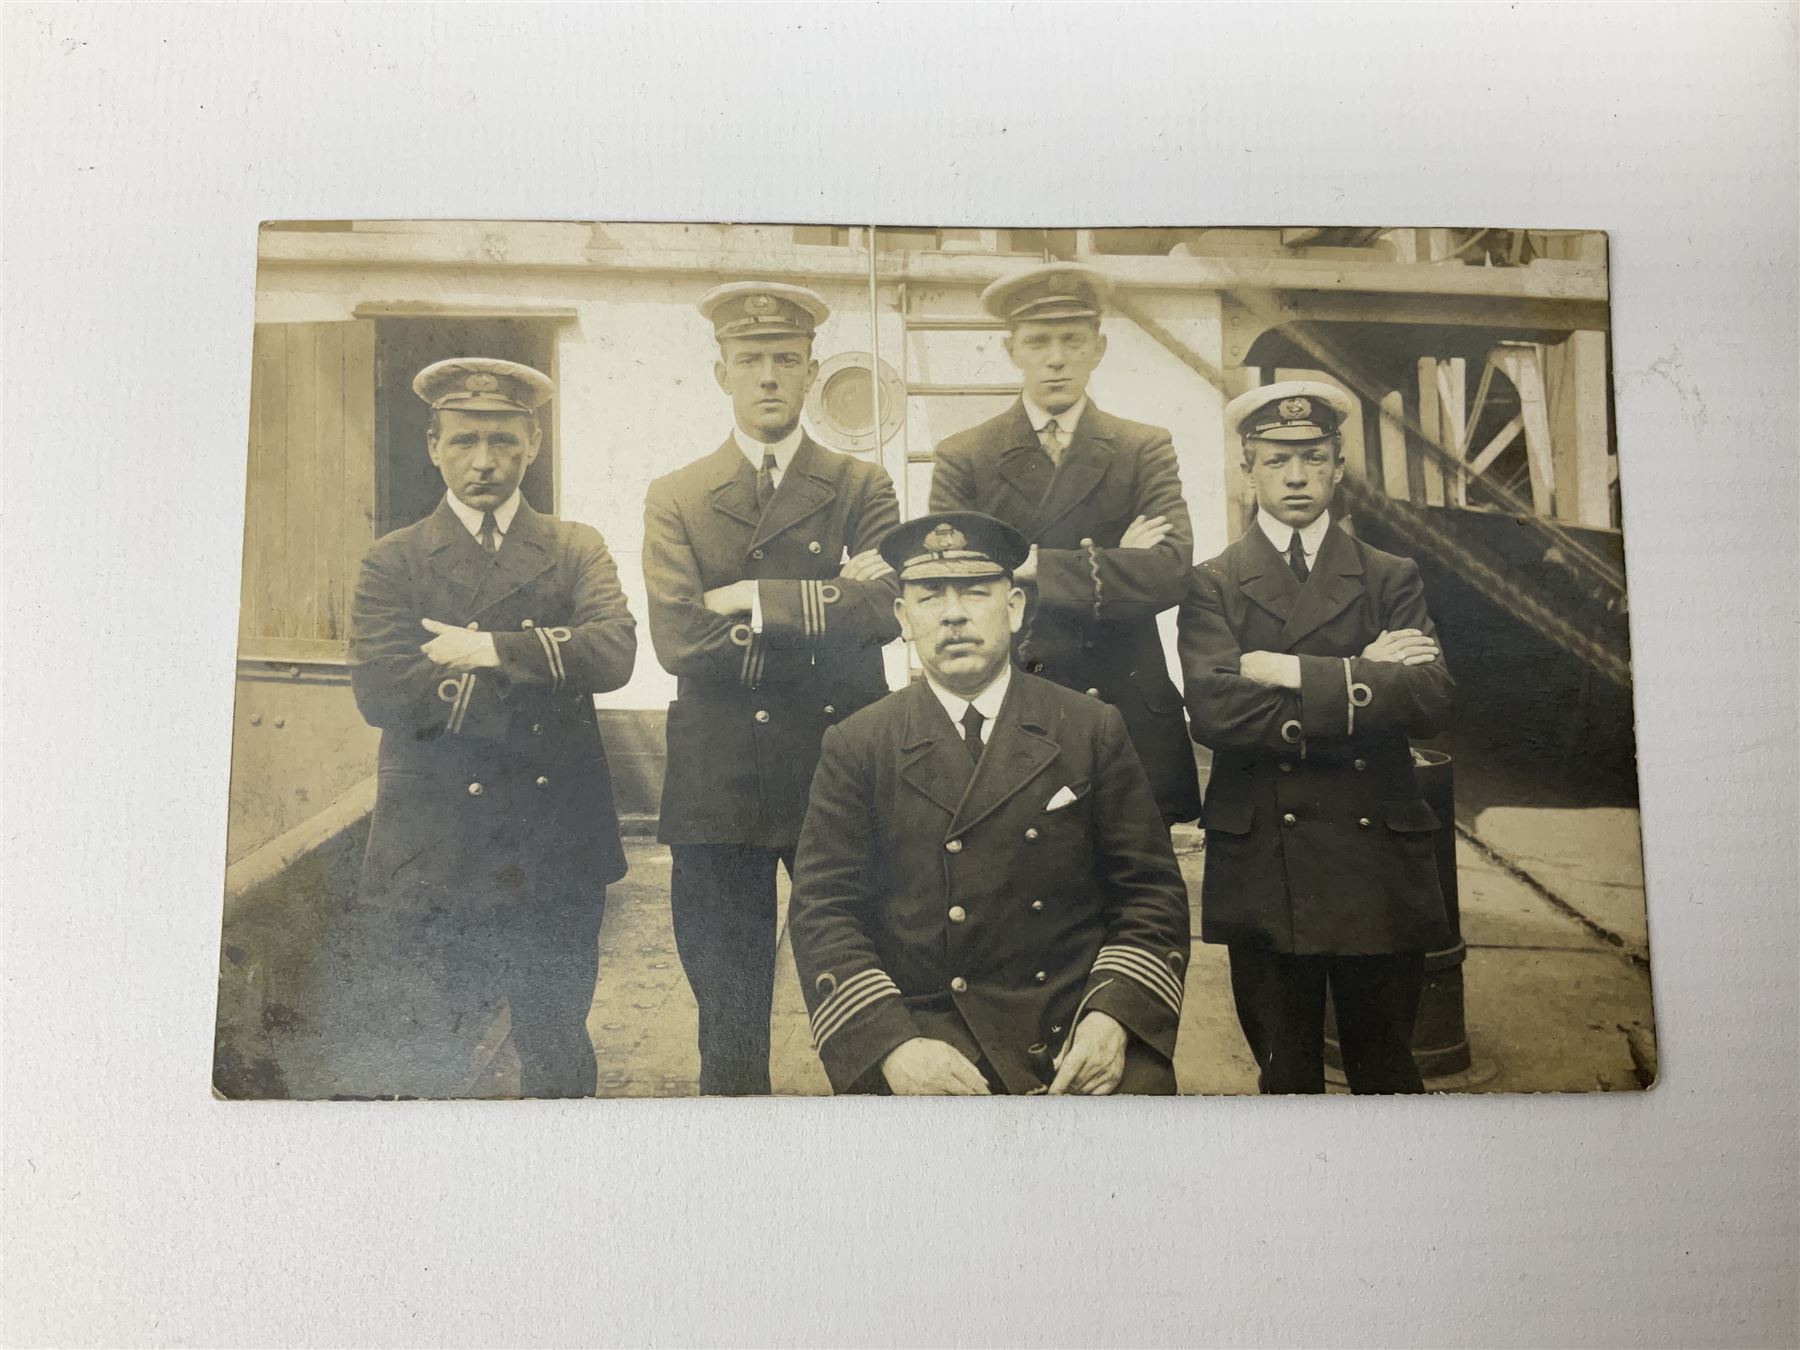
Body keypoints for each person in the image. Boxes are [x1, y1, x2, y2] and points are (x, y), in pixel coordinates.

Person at [788, 511, 1191, 1096]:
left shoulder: (1089, 728)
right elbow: (824, 912)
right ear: (903, 618)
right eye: (929, 597)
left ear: (1016, 607)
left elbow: (1150, 896)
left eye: (976, 592)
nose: (954, 614)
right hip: (927, 1033)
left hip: (1072, 1023)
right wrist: (894, 1048)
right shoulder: (859, 743)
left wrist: (1113, 1021)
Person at [330, 358, 637, 1098]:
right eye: (465, 441)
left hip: (555, 842)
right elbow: (382, 693)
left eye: (503, 441)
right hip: (437, 846)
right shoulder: (392, 560)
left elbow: (616, 651)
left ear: (532, 444)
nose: (485, 462)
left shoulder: (574, 548)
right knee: (432, 1053)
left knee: (558, 1050)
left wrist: (488, 649)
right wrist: (539, 675)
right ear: (434, 445)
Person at [642, 281, 902, 1095]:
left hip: (839, 766)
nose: (767, 377)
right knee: (726, 1011)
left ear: (811, 372)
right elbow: (681, 637)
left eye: (785, 360)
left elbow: (888, 612)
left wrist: (751, 600)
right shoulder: (676, 495)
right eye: (749, 359)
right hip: (719, 779)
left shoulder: (863, 486)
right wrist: (828, 603)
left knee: (864, 988)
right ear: (720, 373)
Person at [1177, 381, 1454, 1094]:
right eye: (1277, 460)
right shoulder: (1213, 583)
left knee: (1387, 1071)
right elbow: (1215, 713)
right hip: (1270, 860)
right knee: (1286, 1074)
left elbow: (1429, 698)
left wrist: (1286, 670)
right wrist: (1365, 678)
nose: (1296, 476)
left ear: (1337, 466)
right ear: (1249, 471)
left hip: (1377, 867)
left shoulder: (1392, 576)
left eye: (1312, 457)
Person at [929, 261, 1200, 828]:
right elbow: (954, 581)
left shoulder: (1142, 447)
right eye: (1038, 341)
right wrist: (1111, 560)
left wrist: (1028, 566)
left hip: (1125, 706)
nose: (1056, 358)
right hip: (1017, 701)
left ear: (1098, 348)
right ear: (1012, 350)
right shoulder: (966, 455)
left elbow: (1172, 571)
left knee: (1137, 889)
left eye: (1072, 341)